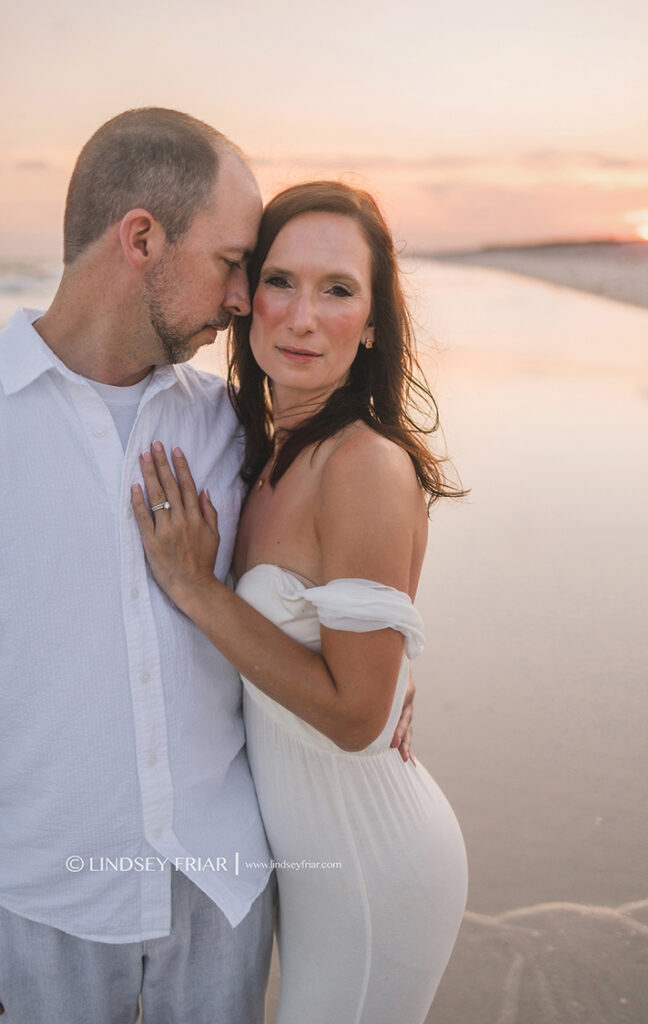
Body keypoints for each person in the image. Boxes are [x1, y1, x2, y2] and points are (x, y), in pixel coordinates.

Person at [0, 106, 412, 1024]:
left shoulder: (229, 425)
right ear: (142, 239)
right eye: (234, 264)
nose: (240, 300)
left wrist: (391, 673)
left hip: (221, 886)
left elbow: (338, 572)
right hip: (46, 899)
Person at [131, 181, 468, 1023]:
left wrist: (196, 588)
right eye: (280, 281)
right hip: (305, 862)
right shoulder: (261, 450)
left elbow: (356, 717)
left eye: (338, 290)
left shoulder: (363, 465)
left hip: (371, 863)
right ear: (246, 297)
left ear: (374, 322)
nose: (301, 317)